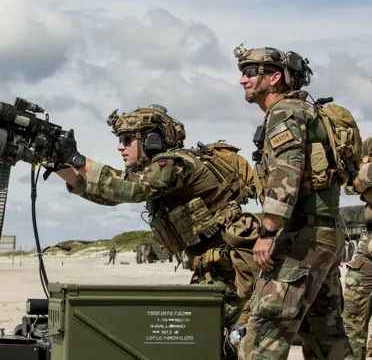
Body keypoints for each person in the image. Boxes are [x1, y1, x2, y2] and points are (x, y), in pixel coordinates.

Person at [50, 104, 261, 350]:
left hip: (239, 276)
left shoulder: (177, 163)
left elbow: (131, 188)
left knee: (224, 348)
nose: (120, 146)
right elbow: (110, 195)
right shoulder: (158, 175)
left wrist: (76, 159)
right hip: (213, 275)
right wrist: (57, 164)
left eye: (127, 139)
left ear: (152, 140)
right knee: (205, 348)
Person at [232, 43, 355, 359]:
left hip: (302, 236)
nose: (242, 80)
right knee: (325, 333)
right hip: (326, 234)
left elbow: (287, 175)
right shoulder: (306, 111)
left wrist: (268, 231)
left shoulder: (285, 111)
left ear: (274, 78)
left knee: (265, 331)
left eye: (249, 72)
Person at [343, 137, 372, 360]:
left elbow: (361, 180)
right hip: (368, 239)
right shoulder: (369, 144)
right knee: (352, 310)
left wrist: (364, 168)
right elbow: (351, 185)